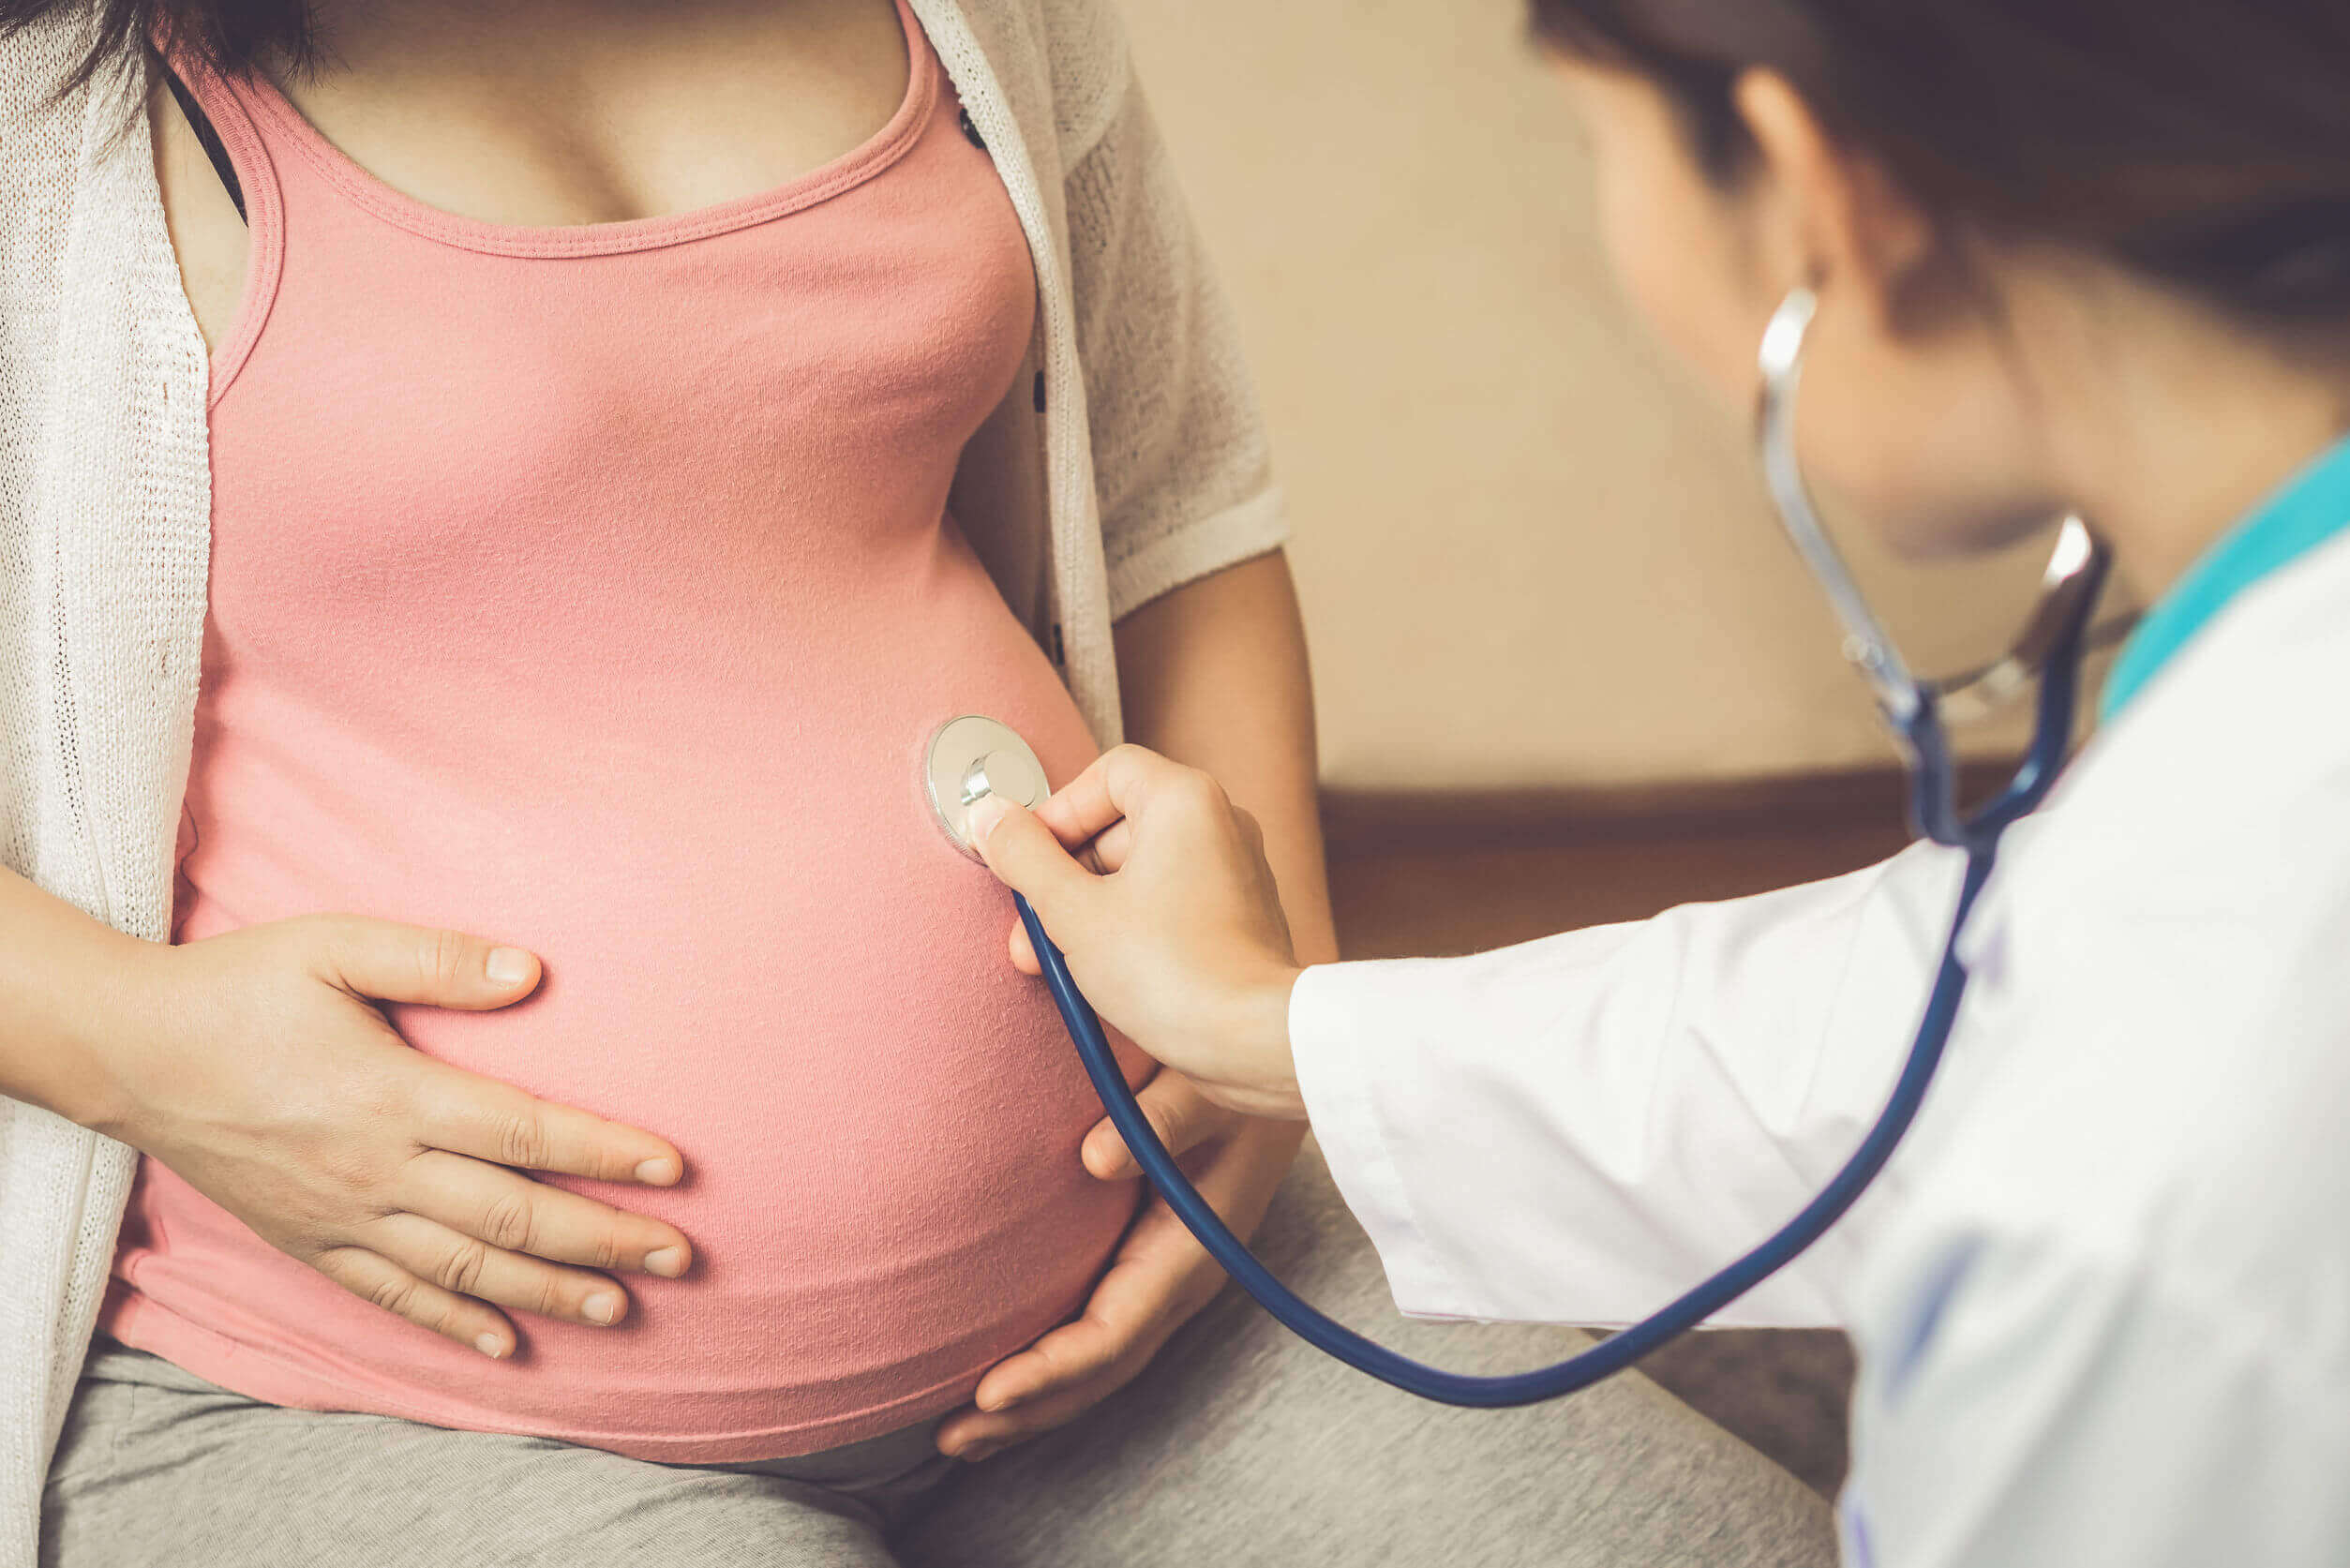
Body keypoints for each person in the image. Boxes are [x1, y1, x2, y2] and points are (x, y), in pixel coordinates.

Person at [2, 0, 1833, 1562]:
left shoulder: (981, 15)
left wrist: (1269, 1035)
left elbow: (1180, 498)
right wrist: (136, 1046)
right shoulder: (53, 109)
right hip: (363, 1396)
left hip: (1143, 1288)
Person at [962, 1, 2350, 1563]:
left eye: (1595, 145)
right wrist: (1275, 1027)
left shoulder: (2140, 1237)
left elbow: (2080, 1081)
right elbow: (1925, 1020)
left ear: (1823, 196)